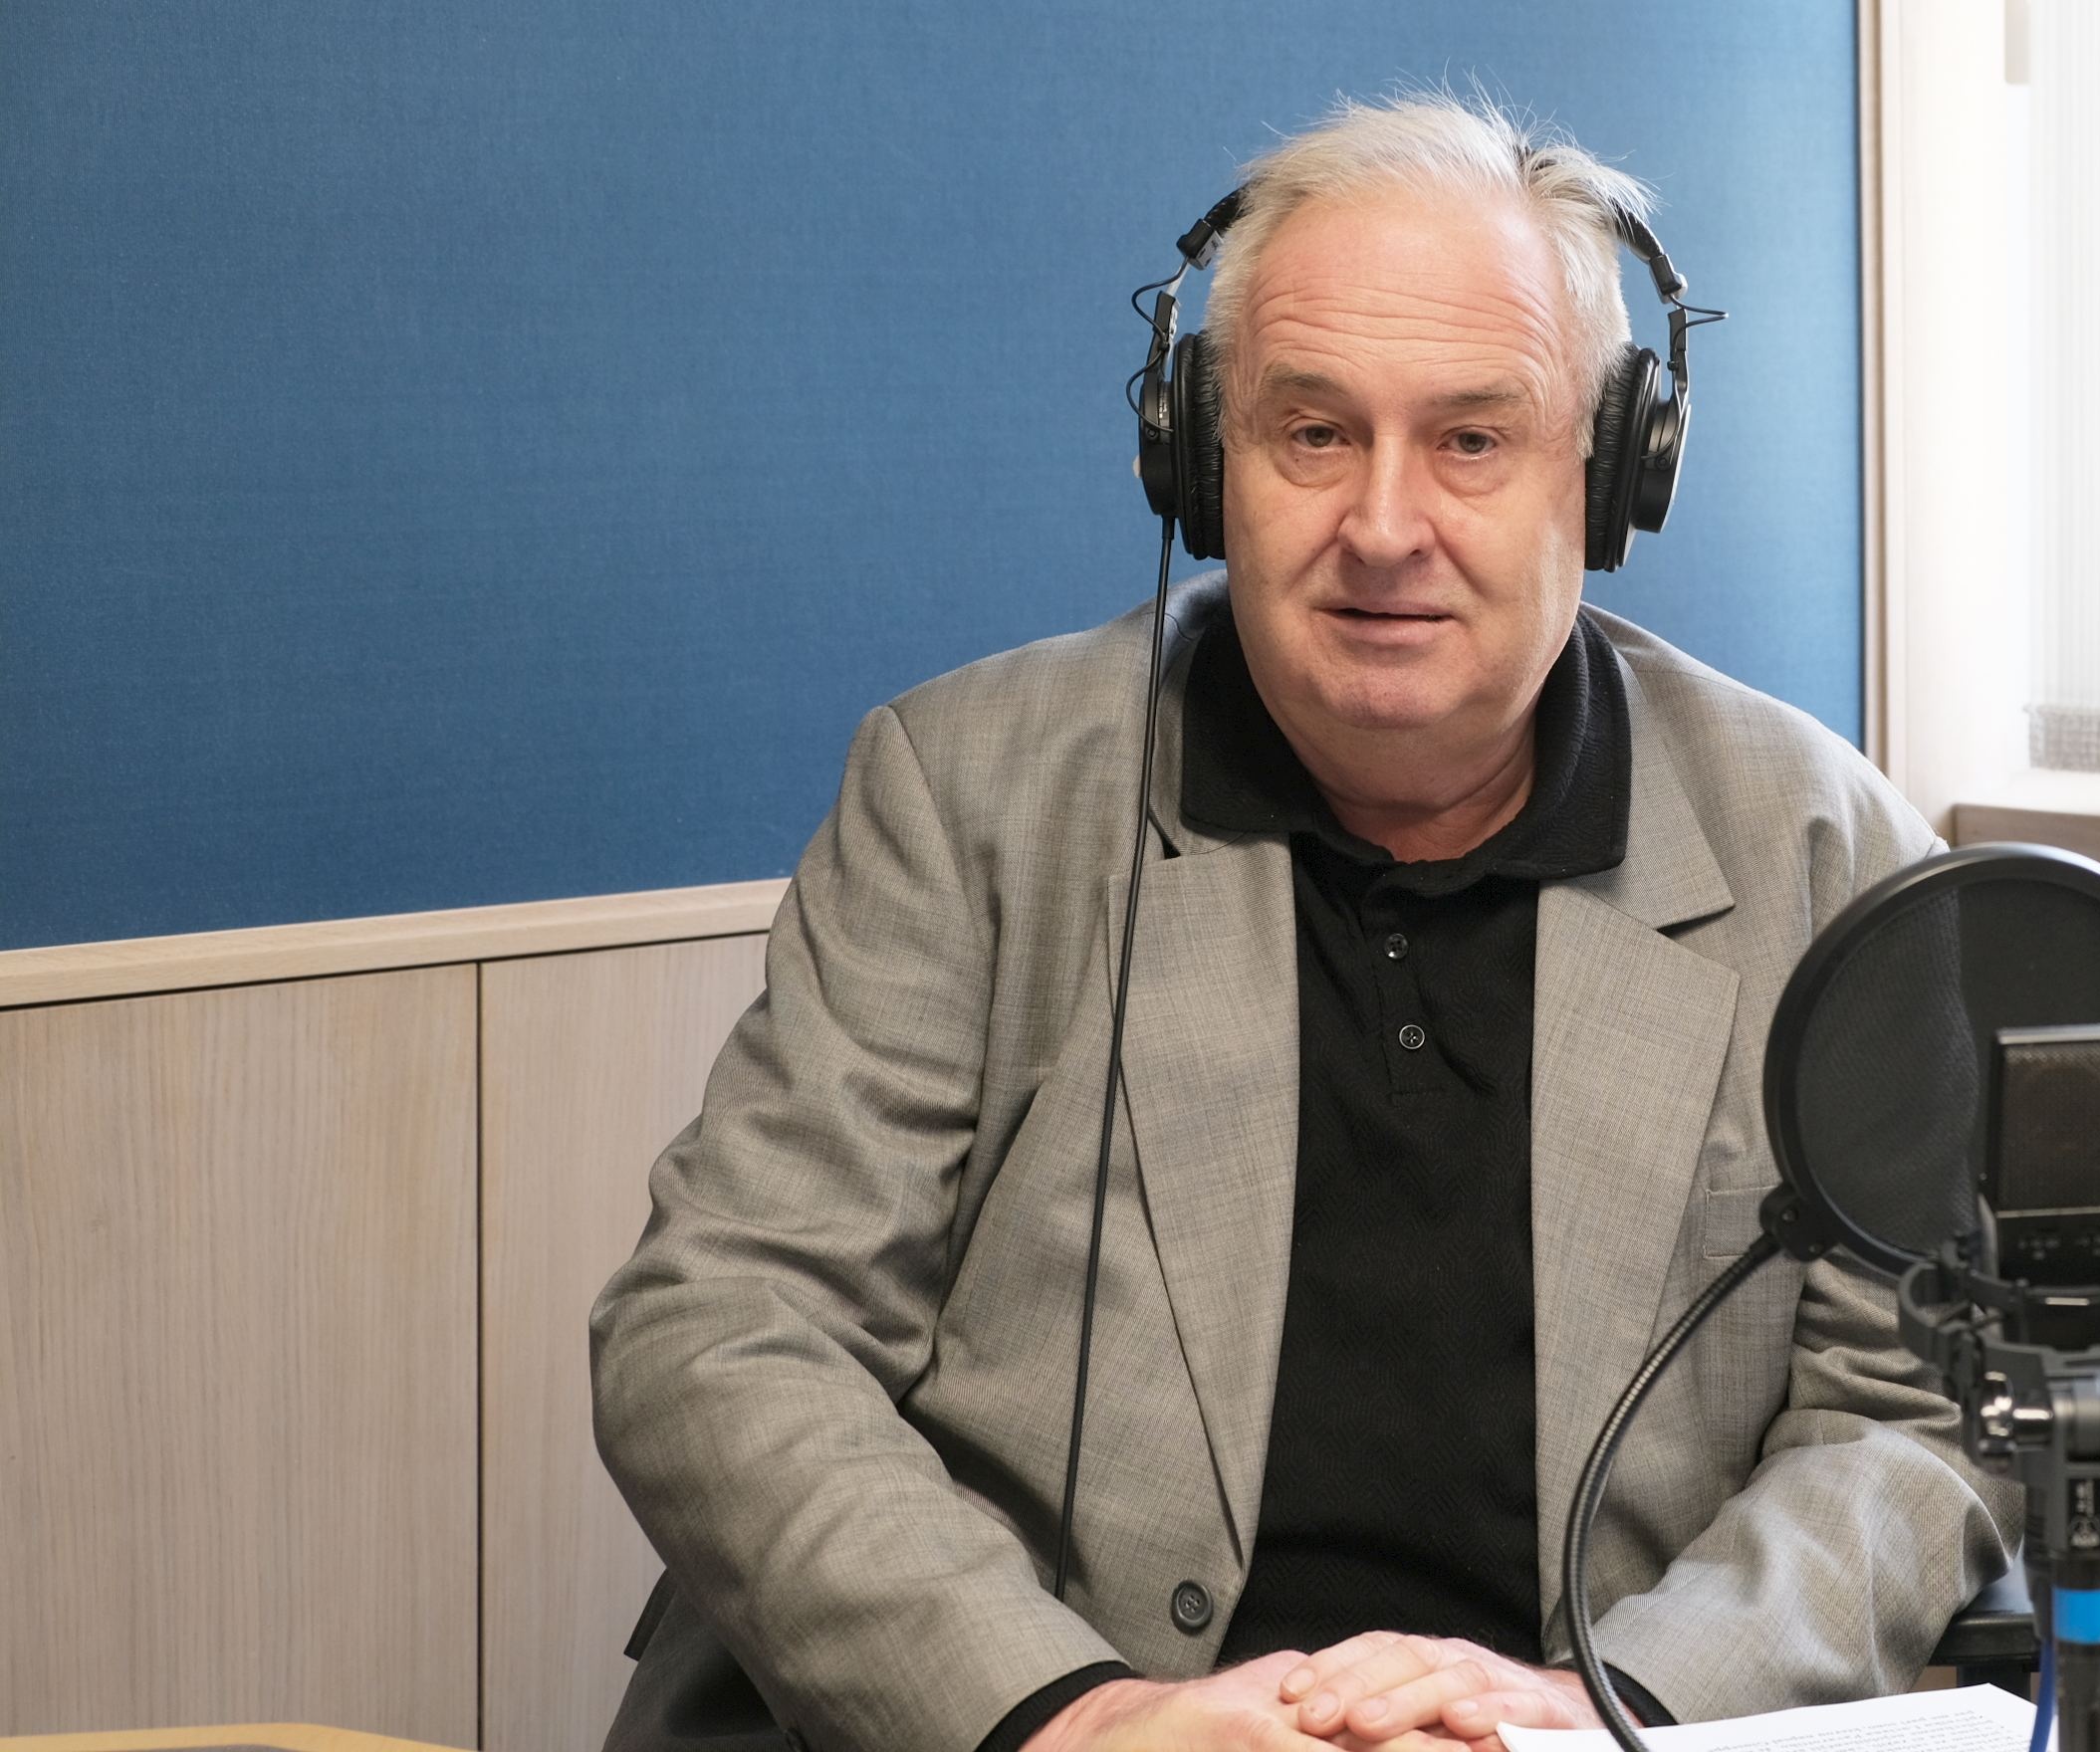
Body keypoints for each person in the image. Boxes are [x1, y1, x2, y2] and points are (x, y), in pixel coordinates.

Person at [590, 91, 2014, 1752]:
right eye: (1315, 433)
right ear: (1206, 461)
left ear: (1611, 474)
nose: (1385, 528)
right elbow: (725, 1327)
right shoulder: (971, 796)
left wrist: (1608, 1706)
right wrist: (1076, 1716)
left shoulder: (1828, 852)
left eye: (1471, 440)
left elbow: (1917, 1410)